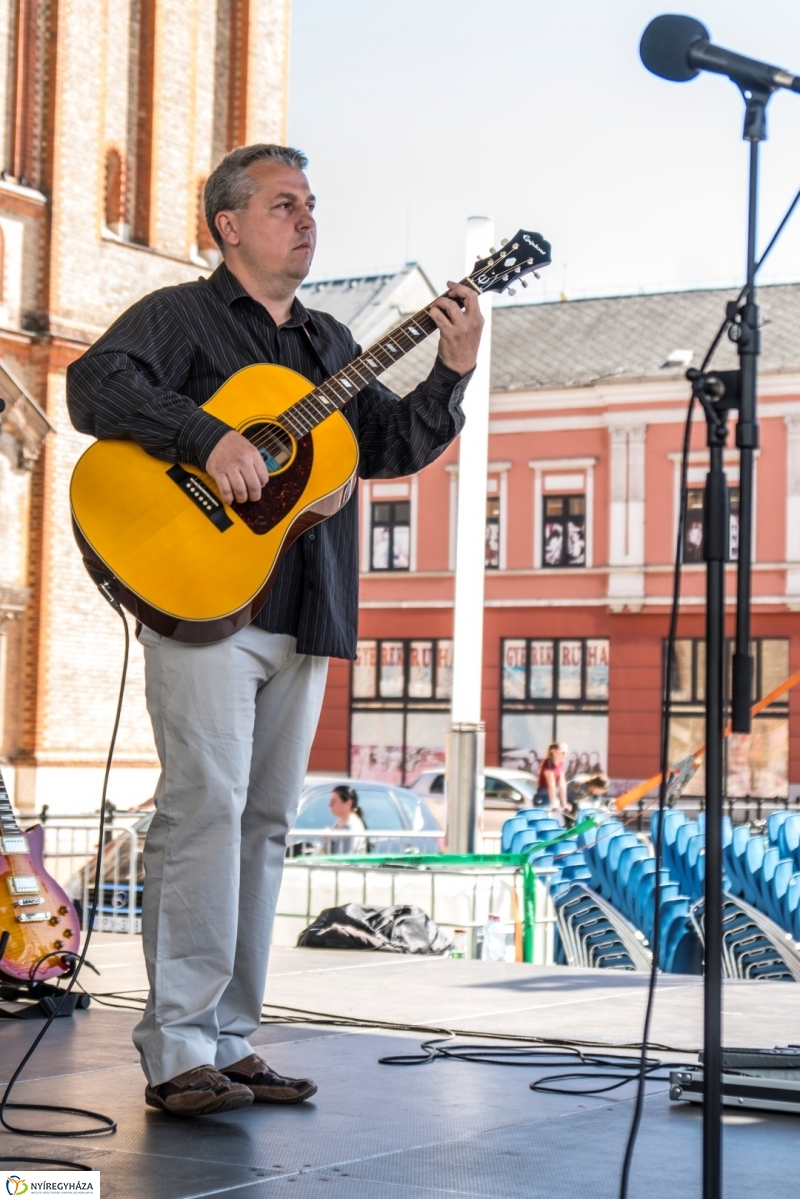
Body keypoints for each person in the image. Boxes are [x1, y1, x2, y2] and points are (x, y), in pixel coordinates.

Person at [65, 143, 482, 1116]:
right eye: (284, 205)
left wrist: (450, 372)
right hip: (202, 600)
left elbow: (390, 443)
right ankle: (175, 1048)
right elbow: (95, 388)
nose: (306, 221)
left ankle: (231, 1039)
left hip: (303, 607)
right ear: (227, 225)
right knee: (201, 808)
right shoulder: (181, 318)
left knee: (259, 827)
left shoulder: (332, 339)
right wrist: (204, 436)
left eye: (310, 205)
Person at [328, 785, 368, 855]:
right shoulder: (340, 822)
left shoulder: (351, 826)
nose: (330, 805)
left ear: (348, 803)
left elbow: (343, 857)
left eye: (334, 801)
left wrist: (329, 839)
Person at [535, 742, 569, 812]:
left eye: (567, 753)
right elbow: (551, 785)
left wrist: (564, 803)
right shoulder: (548, 763)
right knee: (548, 817)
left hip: (552, 794)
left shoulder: (560, 764)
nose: (565, 755)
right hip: (544, 795)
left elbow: (562, 785)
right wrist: (553, 804)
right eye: (563, 752)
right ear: (554, 752)